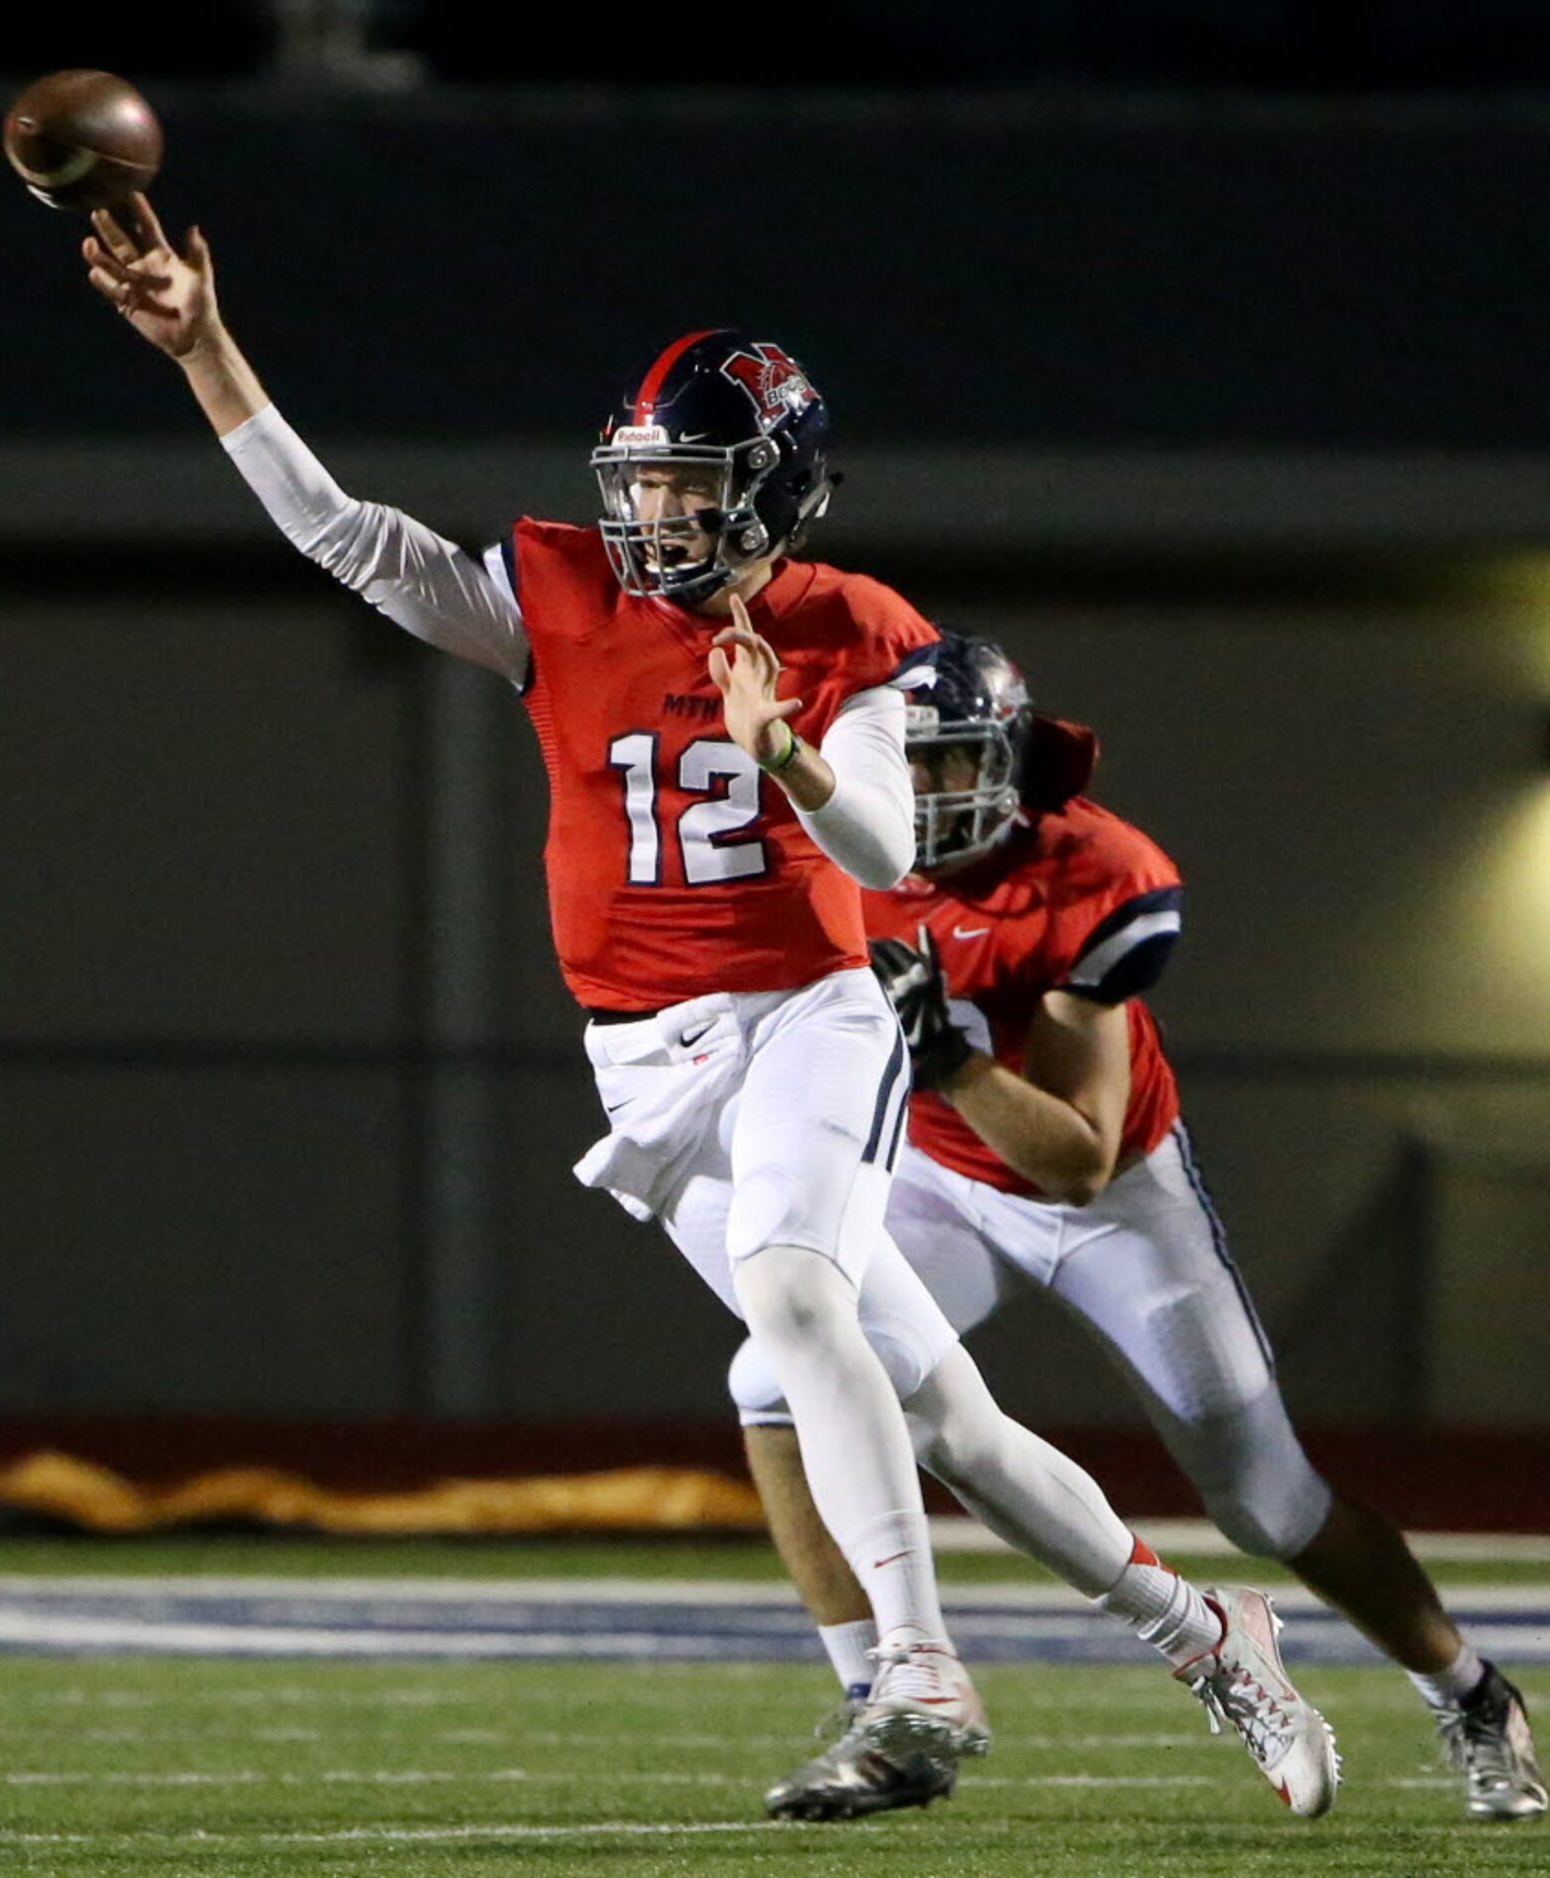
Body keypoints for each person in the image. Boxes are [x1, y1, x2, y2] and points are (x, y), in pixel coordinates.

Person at [80, 199, 1338, 1817]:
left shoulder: (846, 626)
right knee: (938, 1409)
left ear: (773, 493)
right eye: (642, 480)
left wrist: (790, 746)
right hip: (648, 1053)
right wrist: (205, 352)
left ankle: (911, 1674)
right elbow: (346, 537)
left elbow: (884, 844)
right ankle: (1204, 1625)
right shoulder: (561, 594)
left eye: (686, 482)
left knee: (792, 1295)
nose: (655, 511)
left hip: (816, 1003)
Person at [731, 630, 1548, 1824]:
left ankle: (1471, 1695)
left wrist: (949, 1058)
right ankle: (883, 1691)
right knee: (773, 1377)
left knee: (1268, 1505)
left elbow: (1076, 1160)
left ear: (1003, 767)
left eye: (942, 765)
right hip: (939, 1182)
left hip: (1113, 1204)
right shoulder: (821, 852)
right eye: (894, 764)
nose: (913, 794)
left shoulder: (1090, 872)